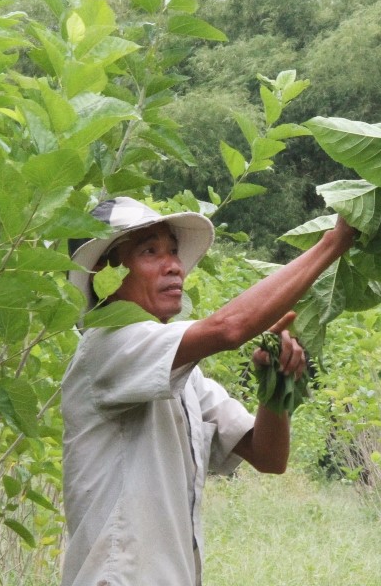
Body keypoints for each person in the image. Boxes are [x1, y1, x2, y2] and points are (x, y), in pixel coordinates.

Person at [61, 196, 356, 586]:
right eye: (150, 251)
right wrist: (334, 242)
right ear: (104, 274)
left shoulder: (183, 378)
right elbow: (228, 329)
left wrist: (275, 382)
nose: (173, 266)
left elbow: (268, 456)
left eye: (173, 251)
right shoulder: (107, 345)